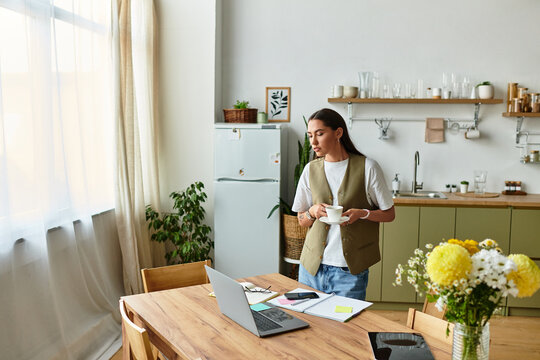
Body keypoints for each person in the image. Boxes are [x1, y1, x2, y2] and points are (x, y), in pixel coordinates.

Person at [292, 108, 395, 300]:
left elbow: (389, 214)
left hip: (349, 271)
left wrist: (363, 213)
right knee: (309, 327)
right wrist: (312, 212)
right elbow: (301, 220)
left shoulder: (368, 167)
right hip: (311, 269)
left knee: (346, 328)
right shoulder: (310, 170)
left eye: (320, 134)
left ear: (338, 133)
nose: (313, 142)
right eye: (310, 136)